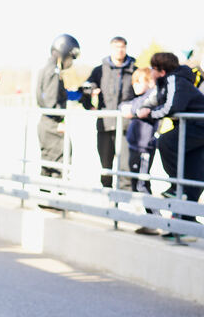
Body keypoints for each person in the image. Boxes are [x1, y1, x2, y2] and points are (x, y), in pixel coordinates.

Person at [139, 52, 204, 228]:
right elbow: (152, 100)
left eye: (153, 69)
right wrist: (141, 109)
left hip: (202, 126)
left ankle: (174, 186)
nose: (151, 72)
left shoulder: (175, 80)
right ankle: (185, 225)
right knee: (192, 172)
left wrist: (150, 115)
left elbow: (173, 107)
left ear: (161, 71)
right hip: (196, 127)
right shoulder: (165, 83)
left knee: (166, 142)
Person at [80, 37, 136, 188]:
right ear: (111, 49)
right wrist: (89, 105)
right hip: (106, 122)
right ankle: (107, 192)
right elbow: (85, 89)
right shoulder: (100, 70)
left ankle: (125, 196)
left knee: (126, 162)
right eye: (117, 47)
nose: (120, 50)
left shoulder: (133, 69)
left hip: (127, 124)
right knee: (105, 162)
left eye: (123, 47)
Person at [120, 68, 161, 234]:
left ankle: (156, 220)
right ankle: (151, 220)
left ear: (149, 81)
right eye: (133, 82)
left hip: (145, 146)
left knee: (143, 183)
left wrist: (132, 111)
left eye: (139, 81)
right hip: (135, 145)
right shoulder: (139, 97)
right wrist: (131, 110)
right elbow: (126, 106)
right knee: (137, 183)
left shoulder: (152, 96)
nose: (135, 85)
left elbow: (138, 109)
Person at [36, 34, 79, 178]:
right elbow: (51, 102)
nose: (71, 61)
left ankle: (45, 199)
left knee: (49, 163)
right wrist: (59, 121)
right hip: (52, 125)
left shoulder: (48, 69)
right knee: (59, 164)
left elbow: (54, 95)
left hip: (48, 123)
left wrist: (78, 94)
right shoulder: (53, 72)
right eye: (71, 57)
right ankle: (53, 199)